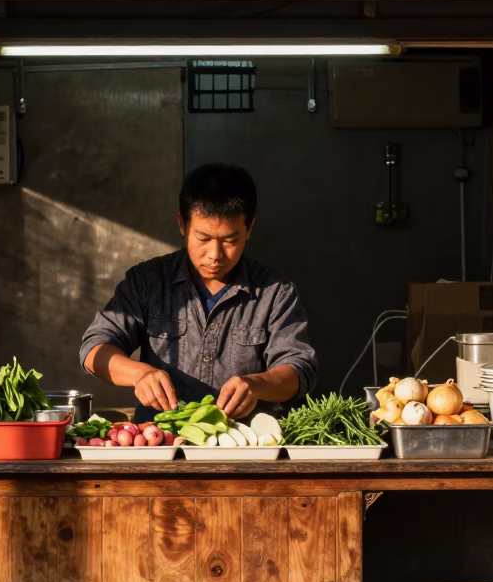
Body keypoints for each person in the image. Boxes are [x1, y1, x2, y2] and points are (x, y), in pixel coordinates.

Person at [80, 163, 318, 423]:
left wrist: (257, 384)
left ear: (249, 228)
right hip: (159, 439)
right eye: (203, 239)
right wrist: (139, 374)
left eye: (230, 240)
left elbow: (300, 370)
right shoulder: (148, 281)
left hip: (242, 442)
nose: (215, 255)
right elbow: (94, 349)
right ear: (182, 224)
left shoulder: (275, 292)